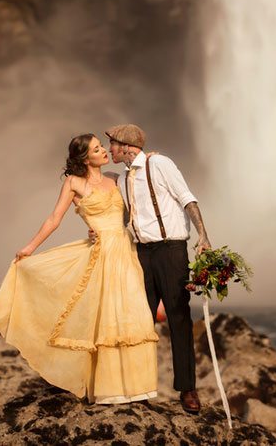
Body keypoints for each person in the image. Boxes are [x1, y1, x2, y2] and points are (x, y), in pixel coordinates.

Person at [0, 133, 158, 404]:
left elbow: (140, 205)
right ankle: (109, 389)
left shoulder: (116, 177)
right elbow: (54, 218)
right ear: (84, 158)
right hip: (101, 254)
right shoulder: (74, 183)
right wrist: (30, 248)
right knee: (105, 320)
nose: (104, 151)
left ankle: (138, 388)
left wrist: (151, 160)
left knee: (132, 314)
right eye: (97, 149)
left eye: (102, 147)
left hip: (126, 250)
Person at [105, 124, 211, 414]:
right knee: (141, 320)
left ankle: (187, 390)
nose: (109, 149)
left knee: (178, 317)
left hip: (171, 250)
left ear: (126, 145)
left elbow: (187, 197)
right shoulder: (123, 178)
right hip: (141, 253)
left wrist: (204, 236)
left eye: (112, 144)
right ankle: (137, 388)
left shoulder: (159, 163)